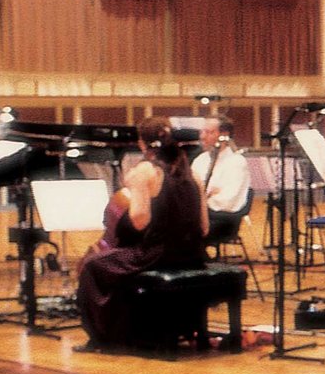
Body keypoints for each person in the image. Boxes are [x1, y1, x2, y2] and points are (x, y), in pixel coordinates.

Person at [75, 118, 209, 350]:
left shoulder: (145, 172)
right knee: (112, 264)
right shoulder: (193, 175)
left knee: (93, 265)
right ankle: (143, 328)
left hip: (158, 255)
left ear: (142, 143)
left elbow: (139, 221)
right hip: (193, 256)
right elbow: (205, 228)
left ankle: (105, 337)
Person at [191, 117, 251, 244]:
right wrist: (207, 194)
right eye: (202, 132)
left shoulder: (237, 162)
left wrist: (202, 197)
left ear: (224, 135)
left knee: (184, 231)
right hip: (201, 215)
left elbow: (228, 202)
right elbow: (190, 192)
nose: (202, 136)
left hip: (223, 220)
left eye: (209, 132)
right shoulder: (200, 160)